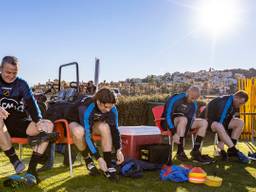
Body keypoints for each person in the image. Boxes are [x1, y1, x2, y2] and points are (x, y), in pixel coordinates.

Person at [0, 56, 54, 185]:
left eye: (14, 73)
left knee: (48, 125)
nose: (11, 76)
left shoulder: (21, 84)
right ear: (1, 69)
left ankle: (31, 170)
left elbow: (31, 103)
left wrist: (39, 120)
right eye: (8, 72)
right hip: (2, 127)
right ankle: (15, 161)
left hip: (19, 123)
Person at [66, 88, 124, 180]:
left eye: (110, 107)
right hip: (75, 121)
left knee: (105, 127)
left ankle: (108, 164)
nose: (108, 110)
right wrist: (98, 158)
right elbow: (87, 135)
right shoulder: (86, 108)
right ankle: (87, 159)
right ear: (98, 102)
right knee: (79, 132)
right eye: (106, 107)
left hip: (91, 122)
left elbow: (115, 130)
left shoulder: (112, 108)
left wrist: (118, 149)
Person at [161, 86, 213, 164]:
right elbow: (167, 115)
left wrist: (190, 130)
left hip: (184, 124)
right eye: (192, 97)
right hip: (168, 122)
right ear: (188, 92)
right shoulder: (176, 98)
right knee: (183, 119)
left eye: (195, 99)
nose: (193, 100)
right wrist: (174, 133)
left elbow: (191, 119)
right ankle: (180, 151)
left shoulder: (194, 104)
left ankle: (195, 151)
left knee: (204, 122)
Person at [200, 90, 249, 163]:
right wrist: (221, 141)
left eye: (242, 104)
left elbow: (227, 120)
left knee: (240, 122)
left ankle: (231, 151)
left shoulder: (234, 103)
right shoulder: (225, 102)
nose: (240, 105)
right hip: (205, 121)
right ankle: (234, 150)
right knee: (219, 125)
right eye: (240, 103)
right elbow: (220, 122)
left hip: (218, 122)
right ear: (236, 97)